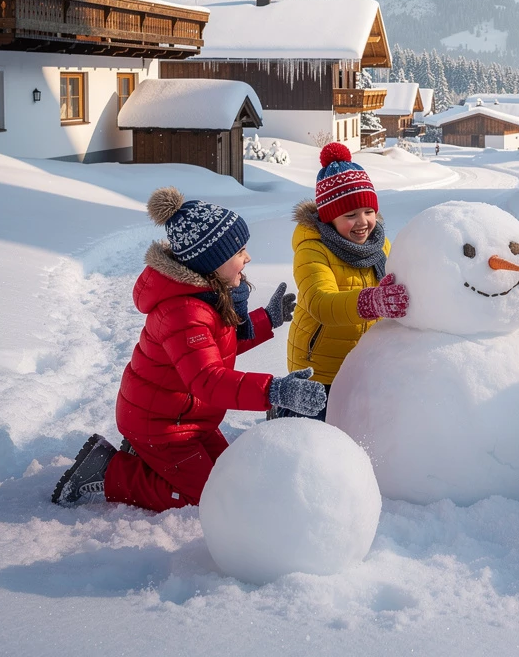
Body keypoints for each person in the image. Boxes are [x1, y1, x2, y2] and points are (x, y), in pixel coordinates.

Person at [51, 188, 326, 509]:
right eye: (239, 251)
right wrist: (273, 391)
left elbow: (219, 346)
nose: (248, 258)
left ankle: (144, 455)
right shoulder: (184, 312)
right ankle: (107, 469)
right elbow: (207, 379)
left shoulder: (208, 295)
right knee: (206, 496)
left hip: (189, 419)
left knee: (230, 476)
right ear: (211, 261)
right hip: (161, 425)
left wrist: (267, 319)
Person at [281, 142, 408, 420]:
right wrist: (372, 302)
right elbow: (321, 303)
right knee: (314, 432)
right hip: (318, 368)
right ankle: (284, 412)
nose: (362, 222)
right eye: (350, 215)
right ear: (329, 217)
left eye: (368, 211)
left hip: (363, 361)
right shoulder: (312, 249)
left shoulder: (380, 245)